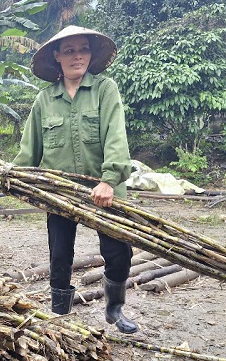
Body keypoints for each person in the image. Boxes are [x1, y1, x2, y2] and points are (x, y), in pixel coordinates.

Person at [13, 25, 138, 333]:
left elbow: (116, 137)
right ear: (57, 57)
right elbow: (29, 151)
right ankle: (60, 313)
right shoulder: (44, 100)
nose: (77, 56)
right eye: (69, 50)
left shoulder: (105, 90)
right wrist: (10, 178)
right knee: (59, 253)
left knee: (118, 251)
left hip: (104, 189)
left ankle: (115, 309)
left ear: (91, 54)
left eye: (83, 49)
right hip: (61, 192)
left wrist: (109, 179)